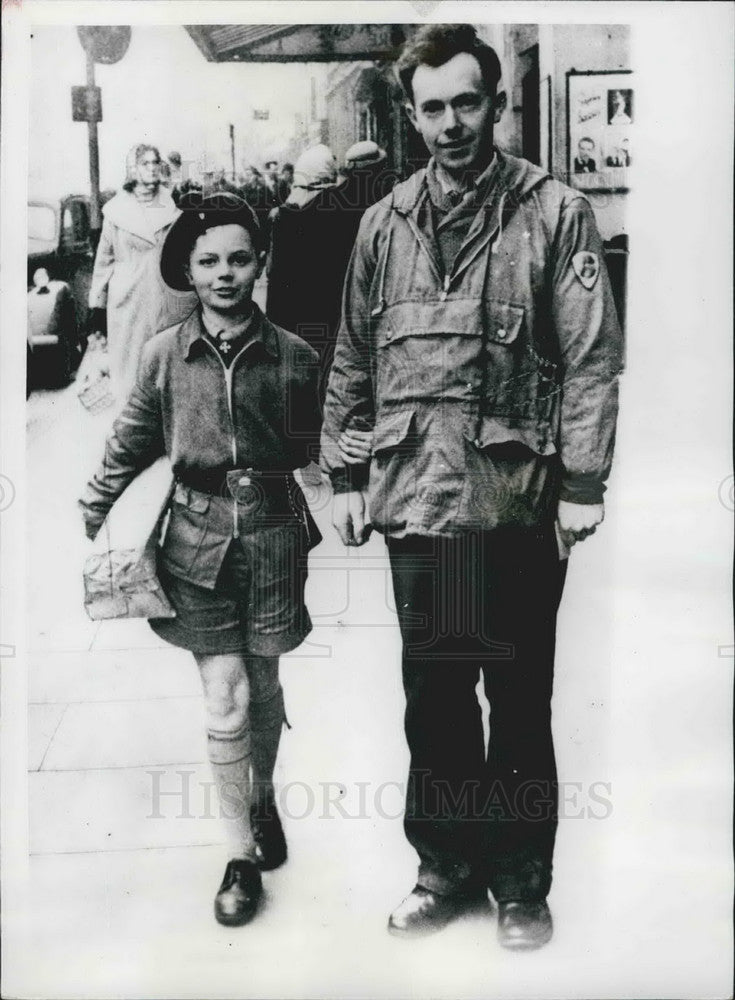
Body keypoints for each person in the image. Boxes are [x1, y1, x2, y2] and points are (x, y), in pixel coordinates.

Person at [321, 23, 624, 950]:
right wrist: (342, 469)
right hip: (420, 500)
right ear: (412, 118)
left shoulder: (554, 212)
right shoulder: (383, 223)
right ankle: (446, 867)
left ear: (495, 103)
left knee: (519, 697)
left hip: (519, 503)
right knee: (438, 696)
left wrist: (582, 479)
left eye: (466, 102)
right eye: (432, 108)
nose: (450, 123)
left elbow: (590, 358)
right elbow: (353, 355)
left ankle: (521, 881)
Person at [79, 193, 322, 928]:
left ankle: (262, 797)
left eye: (239, 258)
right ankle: (238, 854)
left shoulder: (294, 355)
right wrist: (97, 502)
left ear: (260, 264)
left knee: (266, 685)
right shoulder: (162, 355)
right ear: (187, 268)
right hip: (195, 544)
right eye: (209, 260)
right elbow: (129, 439)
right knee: (226, 695)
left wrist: (351, 484)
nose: (225, 274)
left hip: (275, 540)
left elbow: (321, 440)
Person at [87, 143, 196, 404]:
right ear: (132, 170)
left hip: (165, 295)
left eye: (155, 162)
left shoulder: (171, 204)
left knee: (165, 363)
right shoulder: (115, 211)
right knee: (129, 366)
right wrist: (96, 309)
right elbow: (104, 261)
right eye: (145, 163)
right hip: (127, 301)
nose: (152, 168)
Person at [266, 144, 363, 401]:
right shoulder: (348, 215)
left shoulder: (285, 219)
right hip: (333, 329)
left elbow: (275, 281)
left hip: (291, 329)